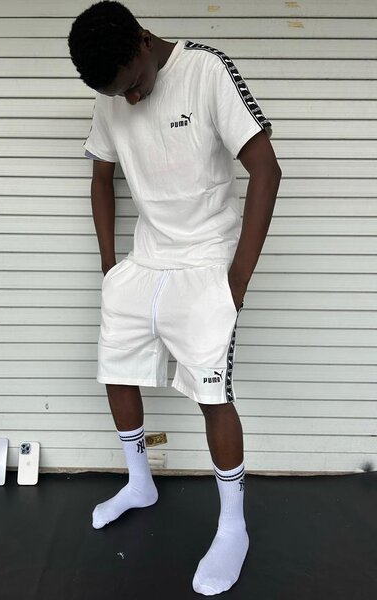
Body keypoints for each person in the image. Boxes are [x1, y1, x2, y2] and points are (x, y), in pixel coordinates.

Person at [68, 1, 281, 595]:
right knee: (115, 369)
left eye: (134, 85)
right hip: (145, 260)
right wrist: (110, 266)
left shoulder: (206, 70)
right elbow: (101, 175)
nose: (132, 99)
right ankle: (141, 483)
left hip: (207, 261)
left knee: (212, 394)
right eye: (120, 95)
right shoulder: (111, 92)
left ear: (143, 40)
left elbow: (266, 169)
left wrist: (237, 280)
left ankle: (233, 526)